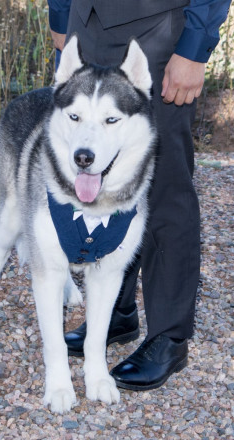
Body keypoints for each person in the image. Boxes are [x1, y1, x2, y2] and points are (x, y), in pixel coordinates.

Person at [47, 0, 231, 391]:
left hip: (158, 33)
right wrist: (61, 14)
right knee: (99, 184)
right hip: (85, 22)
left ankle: (169, 336)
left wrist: (193, 47)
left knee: (164, 187)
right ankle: (116, 311)